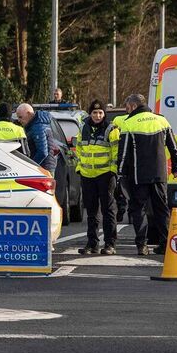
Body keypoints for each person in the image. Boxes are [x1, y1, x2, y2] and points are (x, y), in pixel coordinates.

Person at [116, 93, 177, 255]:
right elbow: (174, 147)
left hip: (139, 175)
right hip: (160, 174)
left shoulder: (129, 123)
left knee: (139, 209)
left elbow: (123, 153)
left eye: (127, 107)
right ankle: (165, 244)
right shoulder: (161, 120)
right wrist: (176, 167)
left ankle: (142, 245)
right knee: (161, 209)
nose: (126, 110)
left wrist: (120, 173)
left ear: (132, 106)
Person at [76, 100, 117, 255]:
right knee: (91, 212)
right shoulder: (83, 127)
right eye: (94, 113)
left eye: (100, 113)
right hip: (87, 175)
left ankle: (110, 244)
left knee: (108, 211)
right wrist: (80, 167)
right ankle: (92, 243)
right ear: (90, 114)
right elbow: (79, 148)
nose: (97, 115)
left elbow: (116, 151)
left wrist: (113, 171)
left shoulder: (110, 129)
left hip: (105, 175)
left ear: (104, 114)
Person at [14, 103, 56, 173]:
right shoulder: (36, 124)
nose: (18, 120)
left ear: (29, 114)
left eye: (20, 117)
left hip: (43, 167)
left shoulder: (37, 127)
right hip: (45, 166)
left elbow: (42, 152)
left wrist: (30, 166)